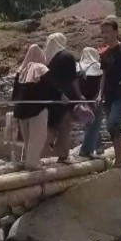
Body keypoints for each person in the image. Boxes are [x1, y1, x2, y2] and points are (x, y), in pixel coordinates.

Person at [80, 16, 121, 167]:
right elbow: (104, 75)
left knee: (113, 124)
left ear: (115, 32)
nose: (104, 35)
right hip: (108, 94)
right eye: (102, 32)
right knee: (111, 126)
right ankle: (120, 159)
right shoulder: (104, 54)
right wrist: (100, 94)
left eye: (107, 32)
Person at [42, 32, 81, 163]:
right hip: (65, 97)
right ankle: (63, 155)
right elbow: (72, 79)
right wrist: (79, 95)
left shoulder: (47, 59)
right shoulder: (67, 56)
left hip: (49, 96)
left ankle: (36, 154)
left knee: (51, 126)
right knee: (65, 125)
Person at [11, 44, 51, 170]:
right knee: (37, 138)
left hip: (22, 111)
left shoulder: (21, 70)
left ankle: (28, 161)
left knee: (27, 139)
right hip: (37, 110)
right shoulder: (41, 69)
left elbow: (15, 94)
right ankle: (33, 164)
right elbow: (49, 88)